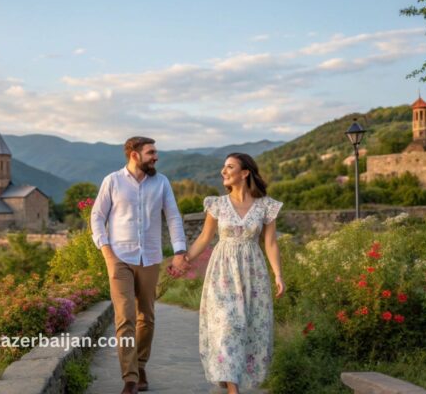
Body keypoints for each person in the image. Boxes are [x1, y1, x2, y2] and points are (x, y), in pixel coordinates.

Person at [168, 153, 284, 394]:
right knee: (227, 325)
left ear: (245, 173)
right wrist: (184, 260)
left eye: (230, 167)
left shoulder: (266, 206)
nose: (223, 171)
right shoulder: (217, 204)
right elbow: (204, 238)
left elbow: (271, 243)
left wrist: (278, 275)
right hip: (222, 273)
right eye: (223, 166)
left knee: (249, 326)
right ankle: (233, 388)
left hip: (253, 273)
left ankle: (230, 374)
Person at [91, 136, 190, 394]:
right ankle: (130, 378)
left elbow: (173, 217)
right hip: (119, 258)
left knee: (146, 316)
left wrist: (180, 251)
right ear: (134, 155)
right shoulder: (112, 181)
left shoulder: (162, 182)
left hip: (150, 257)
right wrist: (107, 253)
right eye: (151, 153)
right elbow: (97, 217)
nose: (156, 157)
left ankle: (140, 364)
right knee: (125, 317)